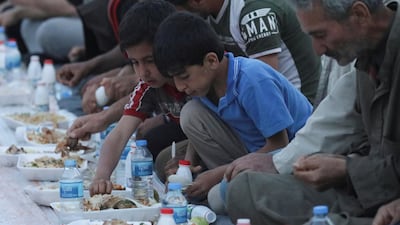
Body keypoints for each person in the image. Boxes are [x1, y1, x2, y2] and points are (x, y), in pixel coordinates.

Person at [222, 0, 400, 224]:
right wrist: (340, 163)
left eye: (321, 35)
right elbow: (369, 140)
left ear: (360, 15)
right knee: (244, 190)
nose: (317, 50)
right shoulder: (366, 58)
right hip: (366, 191)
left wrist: (348, 169)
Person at [153, 11, 312, 202]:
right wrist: (187, 165)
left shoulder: (252, 80)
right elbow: (199, 131)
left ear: (211, 60)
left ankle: (231, 185)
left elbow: (280, 145)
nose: (180, 87)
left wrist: (217, 175)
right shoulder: (205, 86)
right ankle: (230, 181)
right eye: (174, 79)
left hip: (291, 159)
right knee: (189, 117)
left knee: (216, 199)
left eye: (184, 76)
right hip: (251, 151)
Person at [88, 0, 190, 196]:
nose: (143, 72)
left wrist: (188, 158)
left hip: (216, 141)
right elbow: (119, 134)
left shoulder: (192, 77)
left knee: (164, 160)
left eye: (149, 61)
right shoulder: (147, 86)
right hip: (187, 135)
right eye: (135, 63)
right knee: (152, 144)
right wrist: (101, 176)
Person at [165, 0, 321, 105]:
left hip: (298, 104)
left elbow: (265, 84)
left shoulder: (253, 12)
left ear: (196, 2)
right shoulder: (210, 15)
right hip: (256, 100)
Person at [0, 0, 84, 63]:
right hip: (74, 16)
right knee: (29, 24)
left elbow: (71, 9)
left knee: (49, 30)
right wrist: (18, 13)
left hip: (91, 24)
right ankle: (42, 71)